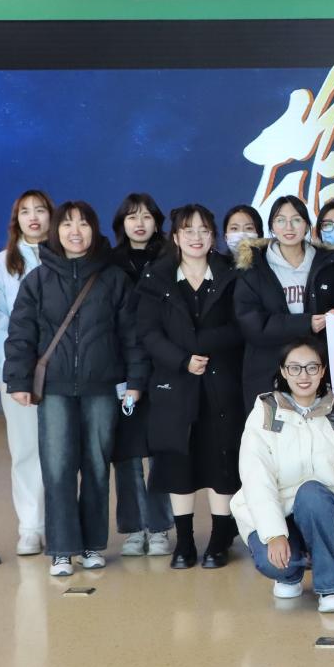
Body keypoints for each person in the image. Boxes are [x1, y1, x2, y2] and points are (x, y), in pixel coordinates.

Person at [3, 200, 148, 578]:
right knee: (58, 467)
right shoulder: (38, 280)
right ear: (56, 231)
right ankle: (62, 549)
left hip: (102, 387)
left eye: (83, 224)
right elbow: (20, 335)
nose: (75, 231)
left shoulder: (113, 278)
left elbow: (131, 336)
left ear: (94, 230)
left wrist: (135, 382)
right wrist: (18, 380)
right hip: (54, 389)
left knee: (97, 467)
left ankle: (92, 545)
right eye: (67, 224)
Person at [139, 203, 245, 570]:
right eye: (188, 230)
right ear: (175, 236)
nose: (196, 237)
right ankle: (183, 541)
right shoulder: (156, 277)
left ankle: (218, 539)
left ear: (214, 236)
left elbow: (241, 324)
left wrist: (202, 346)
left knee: (222, 462)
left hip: (222, 383)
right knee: (178, 464)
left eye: (203, 230)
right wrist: (182, 359)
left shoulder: (232, 273)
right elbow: (148, 332)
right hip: (175, 383)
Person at [234, 338, 334, 615]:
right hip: (277, 510)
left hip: (320, 511)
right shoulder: (264, 413)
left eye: (311, 367)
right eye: (294, 368)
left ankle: (330, 588)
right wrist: (274, 534)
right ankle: (290, 575)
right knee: (274, 562)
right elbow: (256, 478)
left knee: (312, 493)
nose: (303, 376)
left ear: (322, 371)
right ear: (283, 372)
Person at [0, 188, 52, 557]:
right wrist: (14, 370)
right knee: (26, 450)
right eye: (25, 211)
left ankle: (61, 522)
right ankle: (30, 526)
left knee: (62, 450)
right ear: (17, 220)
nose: (34, 217)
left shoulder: (66, 256)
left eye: (40, 210)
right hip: (20, 373)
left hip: (62, 372)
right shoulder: (3, 263)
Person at [233, 197, 334, 411]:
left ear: (307, 225)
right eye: (281, 220)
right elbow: (252, 325)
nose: (289, 227)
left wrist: (333, 317)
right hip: (268, 371)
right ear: (272, 227)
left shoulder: (328, 266)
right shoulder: (254, 268)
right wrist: (306, 324)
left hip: (316, 372)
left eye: (296, 220)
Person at [109, 193, 173, 558]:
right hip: (121, 368)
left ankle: (160, 527)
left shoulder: (171, 259)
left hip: (163, 365)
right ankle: (134, 528)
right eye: (132, 216)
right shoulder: (109, 262)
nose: (139, 223)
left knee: (161, 450)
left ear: (157, 222)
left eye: (146, 216)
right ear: (121, 223)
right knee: (127, 452)